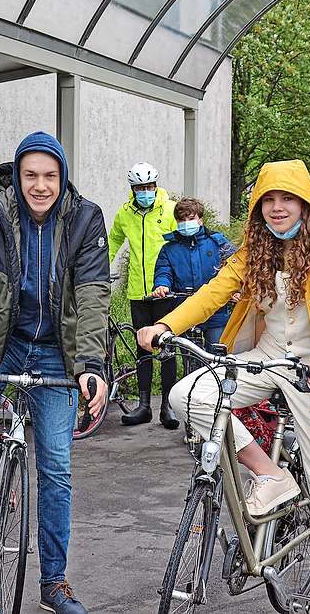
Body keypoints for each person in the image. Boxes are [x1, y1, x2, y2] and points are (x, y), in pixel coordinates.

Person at [137, 160, 310, 614]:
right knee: (187, 395)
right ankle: (270, 473)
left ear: (305, 204)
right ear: (258, 206)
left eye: (287, 199)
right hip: (265, 358)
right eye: (269, 200)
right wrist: (164, 325)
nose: (277, 208)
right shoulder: (253, 251)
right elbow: (211, 294)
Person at [0, 131, 109, 614]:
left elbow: (93, 299)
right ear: (17, 176)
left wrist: (91, 366)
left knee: (56, 468)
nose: (40, 185)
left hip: (56, 350)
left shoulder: (86, 220)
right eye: (30, 175)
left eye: (50, 175)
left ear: (63, 177)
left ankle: (54, 582)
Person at [150, 197, 237, 424]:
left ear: (200, 219)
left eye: (191, 218)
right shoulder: (169, 249)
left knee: (218, 363)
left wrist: (238, 290)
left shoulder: (218, 243)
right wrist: (162, 285)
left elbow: (237, 267)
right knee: (192, 366)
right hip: (186, 311)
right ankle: (194, 417)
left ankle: (223, 413)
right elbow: (163, 271)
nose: (186, 223)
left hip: (217, 314)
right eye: (182, 219)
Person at [108, 162, 177, 426]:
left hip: (165, 292)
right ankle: (144, 405)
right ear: (133, 189)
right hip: (138, 292)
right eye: (140, 188)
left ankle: (168, 407)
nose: (145, 191)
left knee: (168, 349)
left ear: (156, 185)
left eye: (149, 187)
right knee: (143, 349)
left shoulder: (169, 209)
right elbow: (113, 241)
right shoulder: (125, 214)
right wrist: (100, 268)